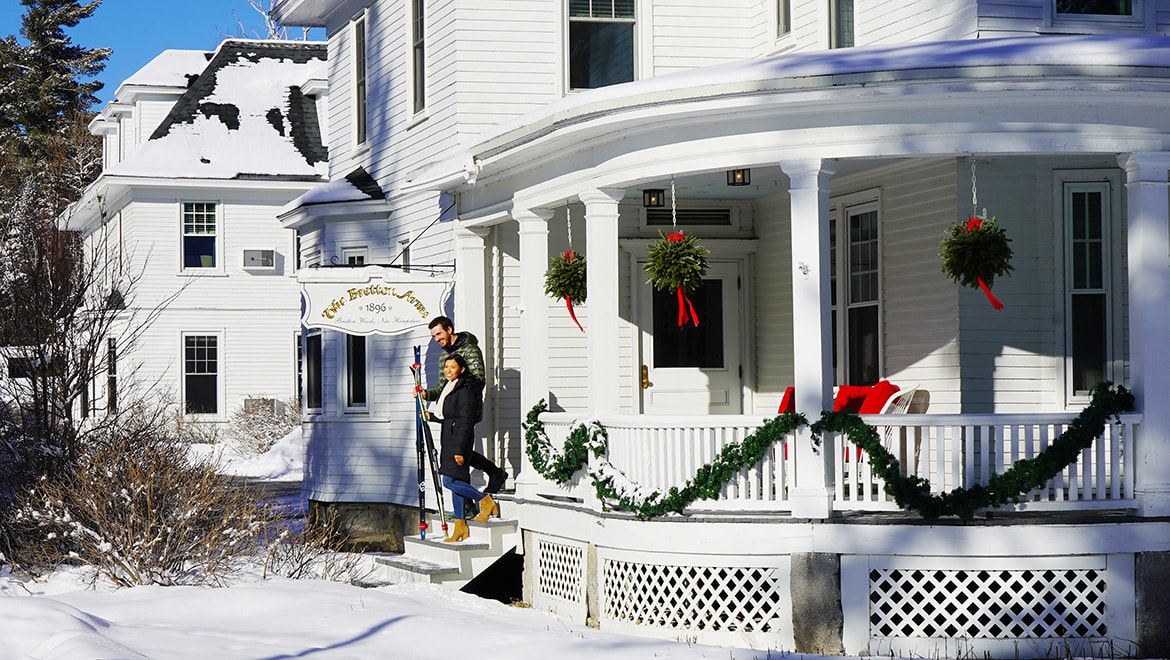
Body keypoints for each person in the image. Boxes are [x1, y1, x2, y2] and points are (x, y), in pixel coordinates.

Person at [422, 316, 507, 494]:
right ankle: (492, 475)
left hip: (465, 408)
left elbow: (478, 380)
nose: (437, 339)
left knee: (459, 453)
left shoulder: (470, 350)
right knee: (459, 454)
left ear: (449, 329)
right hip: (449, 411)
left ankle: (477, 492)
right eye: (434, 336)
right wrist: (426, 394)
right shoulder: (443, 356)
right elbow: (442, 386)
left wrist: (462, 397)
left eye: (439, 334)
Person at [433, 353, 499, 542]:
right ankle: (460, 527)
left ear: (461, 369)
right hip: (449, 439)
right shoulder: (450, 387)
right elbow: (448, 415)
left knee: (449, 482)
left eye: (452, 367)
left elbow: (465, 421)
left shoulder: (465, 390)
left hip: (457, 442)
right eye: (446, 367)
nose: (448, 371)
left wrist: (460, 450)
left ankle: (485, 501)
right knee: (456, 484)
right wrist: (430, 416)